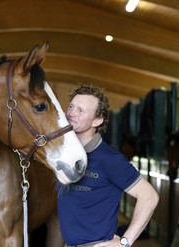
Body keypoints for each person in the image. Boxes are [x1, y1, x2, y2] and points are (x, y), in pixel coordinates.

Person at [57, 84, 159, 247]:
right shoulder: (63, 153)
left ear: (97, 121)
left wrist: (125, 242)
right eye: (71, 106)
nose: (71, 113)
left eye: (81, 110)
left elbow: (149, 196)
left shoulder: (110, 159)